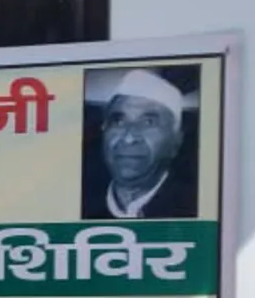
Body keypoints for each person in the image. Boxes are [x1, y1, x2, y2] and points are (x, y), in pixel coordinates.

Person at [82, 67, 198, 219]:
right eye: (119, 121)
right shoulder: (80, 199)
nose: (129, 138)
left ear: (176, 141)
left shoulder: (194, 207)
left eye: (148, 122)